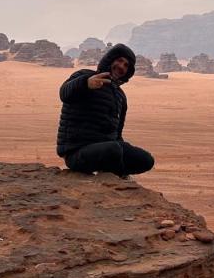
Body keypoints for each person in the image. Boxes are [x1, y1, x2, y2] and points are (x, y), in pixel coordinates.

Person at [56, 43, 155, 177]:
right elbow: (64, 94)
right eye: (119, 60)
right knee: (113, 150)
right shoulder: (85, 75)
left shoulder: (120, 96)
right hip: (77, 150)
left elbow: (117, 132)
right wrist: (86, 83)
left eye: (126, 65)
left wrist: (125, 150)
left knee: (146, 160)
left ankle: (112, 169)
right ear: (110, 59)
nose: (121, 66)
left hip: (107, 148)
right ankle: (118, 177)